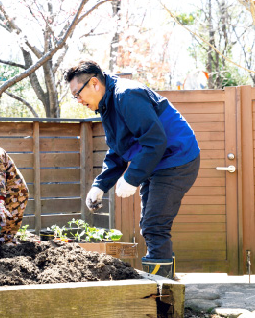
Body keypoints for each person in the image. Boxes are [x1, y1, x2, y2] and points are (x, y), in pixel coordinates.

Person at [64, 61, 200, 279]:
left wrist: (132, 177)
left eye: (77, 94)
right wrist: (100, 185)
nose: (78, 101)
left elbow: (155, 141)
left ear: (94, 83)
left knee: (154, 225)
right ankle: (167, 281)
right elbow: (118, 148)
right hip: (156, 160)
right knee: (150, 224)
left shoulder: (126, 95)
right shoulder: (108, 104)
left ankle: (163, 293)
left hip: (177, 158)